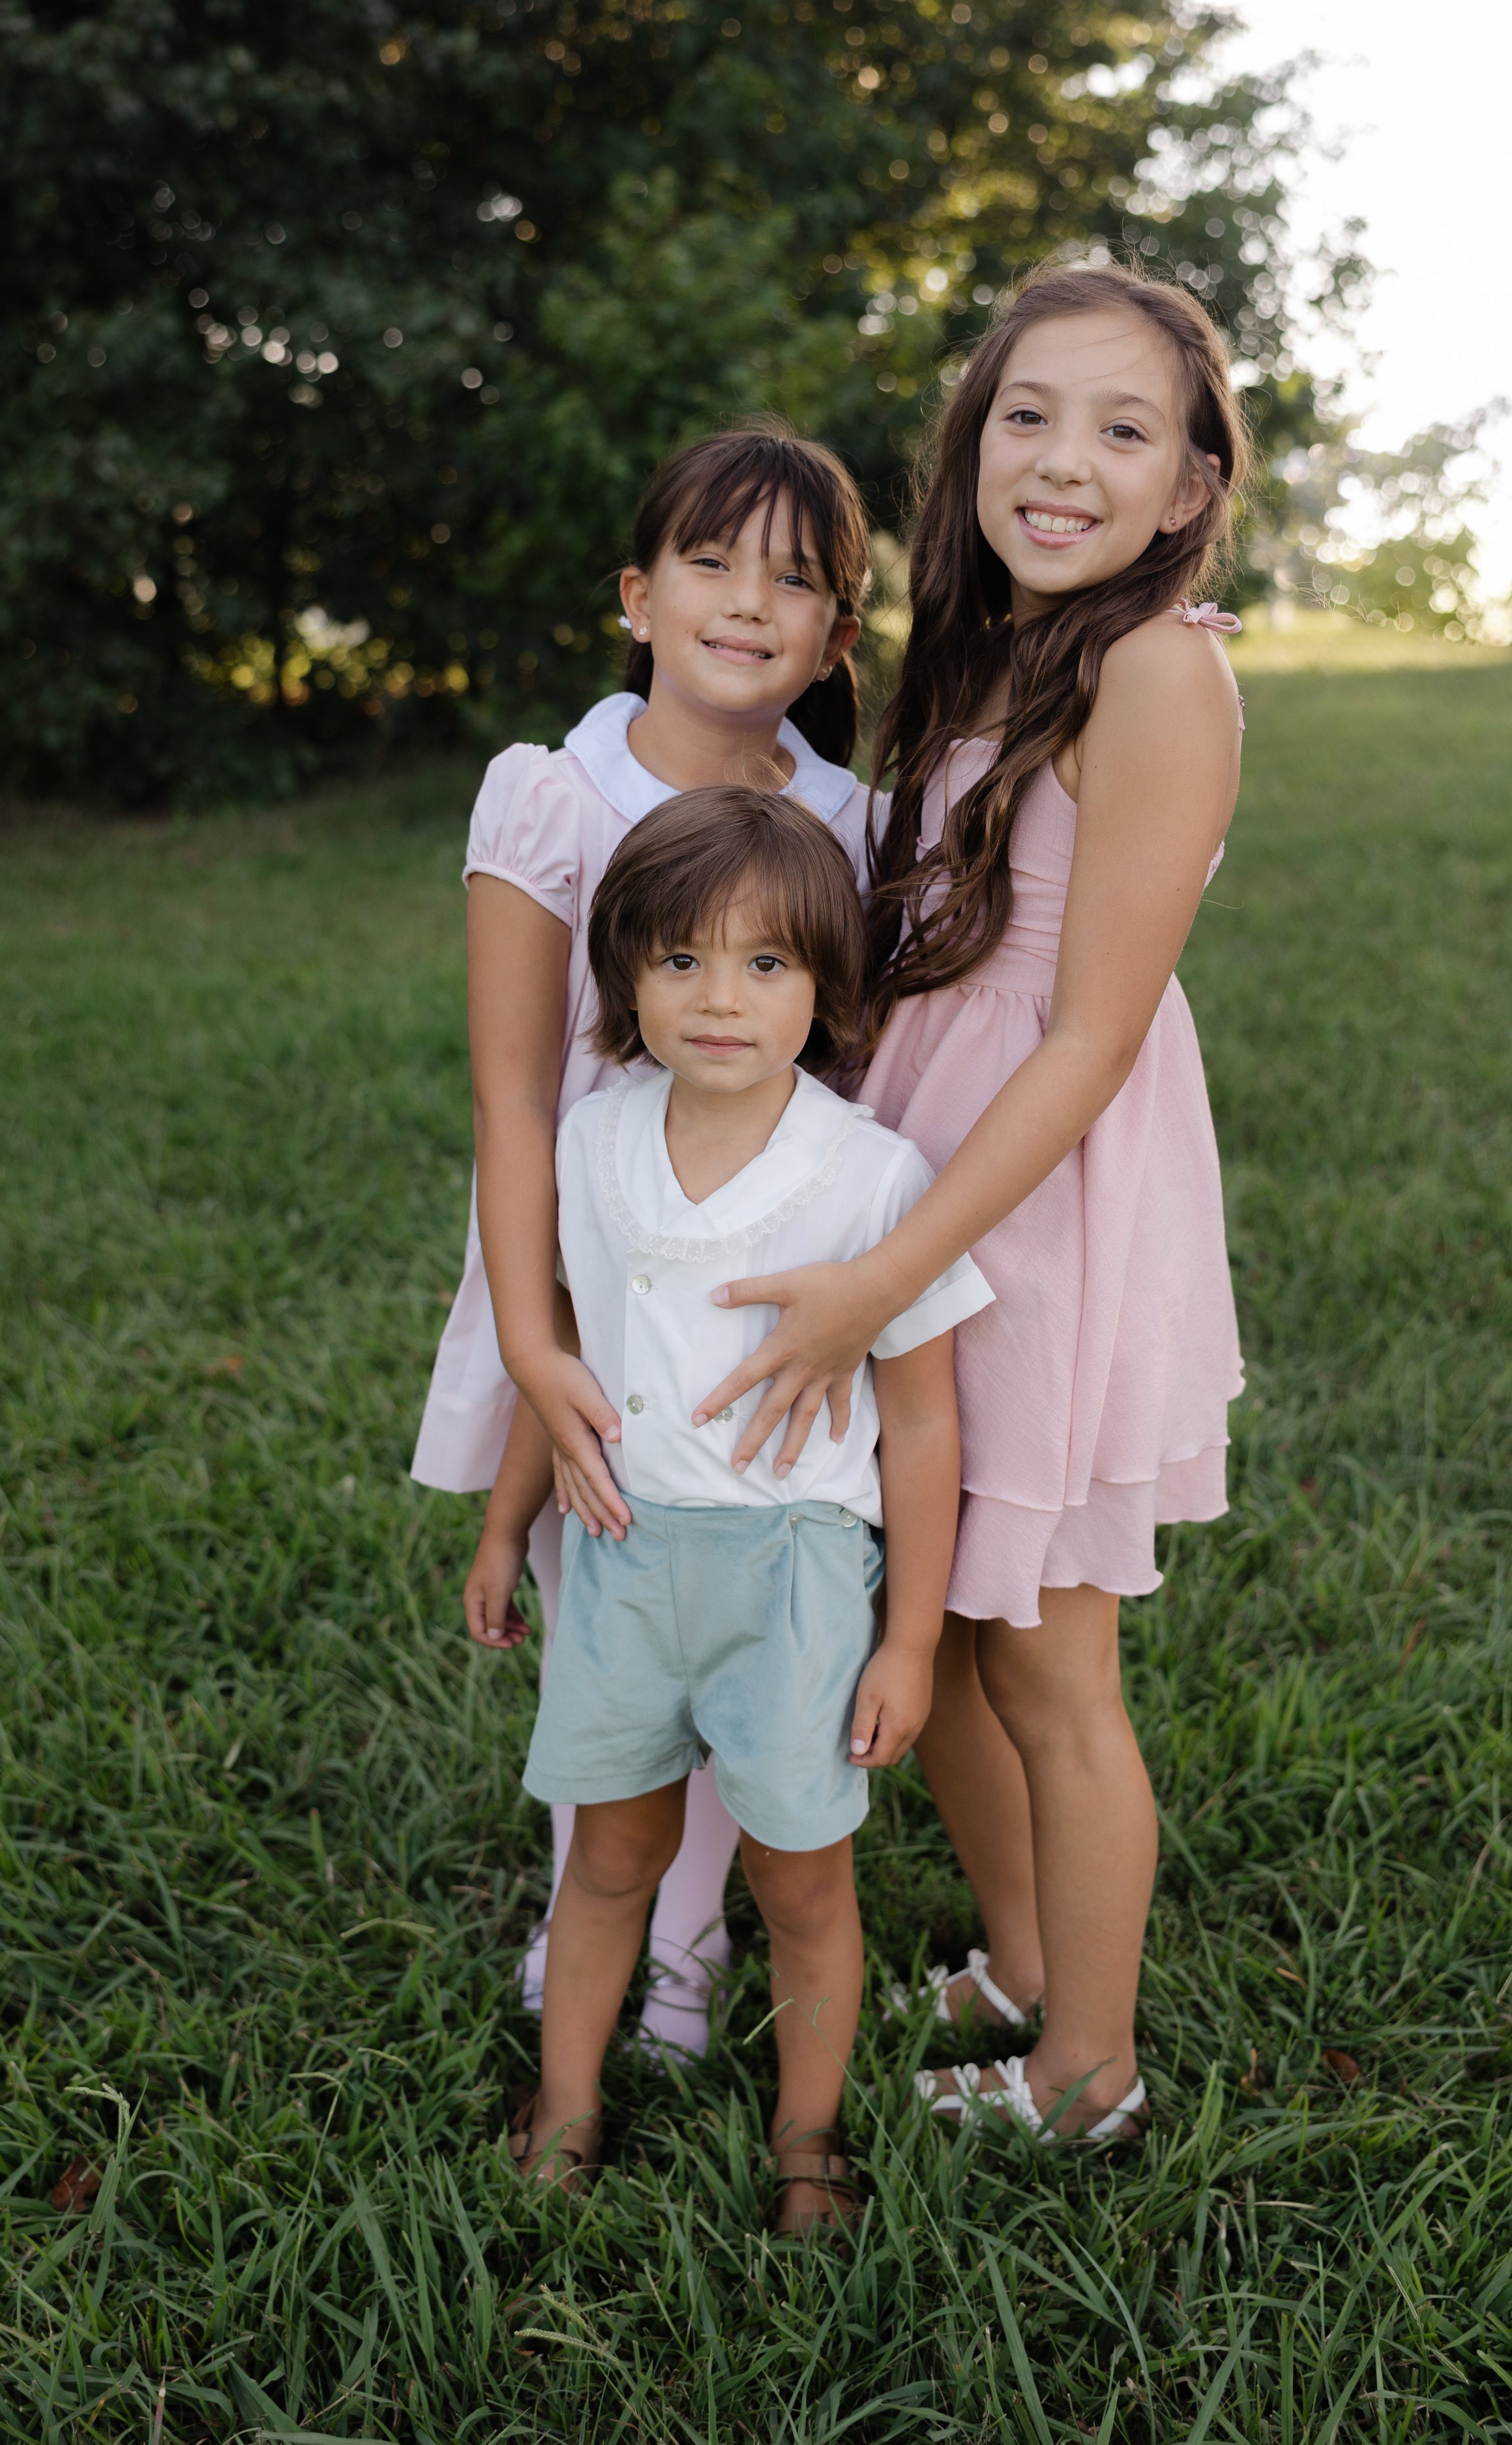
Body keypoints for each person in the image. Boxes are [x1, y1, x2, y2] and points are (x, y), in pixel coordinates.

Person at [574, 260, 1249, 2144]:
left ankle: (1088, 2069)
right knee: (936, 1602)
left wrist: (884, 1263)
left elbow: (1093, 1032)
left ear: (1191, 483)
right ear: (969, 445)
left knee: (1046, 1644)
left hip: (1035, 1186)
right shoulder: (996, 648)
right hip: (924, 1149)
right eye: (1025, 415)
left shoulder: (1157, 664)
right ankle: (1028, 1952)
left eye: (1124, 429)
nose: (1061, 461)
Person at [462, 787, 990, 2229]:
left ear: (822, 988)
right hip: (626, 1560)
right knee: (612, 1854)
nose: (718, 999)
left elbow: (926, 1422)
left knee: (801, 1882)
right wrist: (510, 1524)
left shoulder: (872, 1177)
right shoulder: (591, 1146)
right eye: (680, 960)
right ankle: (567, 2103)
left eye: (766, 965)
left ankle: (805, 2136)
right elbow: (559, 1366)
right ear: (626, 973)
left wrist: (906, 1642)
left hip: (797, 1581)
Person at [415, 423, 877, 2058]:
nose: (749, 601)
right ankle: (614, 1929)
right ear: (637, 592)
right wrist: (538, 1340)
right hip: (579, 1265)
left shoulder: (847, 816)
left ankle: (692, 1941)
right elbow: (510, 1089)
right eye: (712, 560)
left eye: (798, 579)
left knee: (745, 1624)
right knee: (602, 1603)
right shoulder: (556, 790)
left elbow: (848, 1071)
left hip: (758, 1285)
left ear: (834, 634)